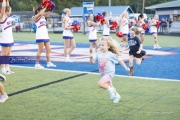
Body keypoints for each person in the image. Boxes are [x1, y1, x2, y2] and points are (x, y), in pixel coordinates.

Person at [90, 36, 129, 103]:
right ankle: (117, 96)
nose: (101, 47)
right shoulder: (98, 54)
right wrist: (90, 58)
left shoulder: (110, 55)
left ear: (108, 46)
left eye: (103, 45)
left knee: (100, 84)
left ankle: (111, 91)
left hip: (109, 73)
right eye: (100, 45)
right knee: (110, 85)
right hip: (103, 73)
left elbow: (120, 60)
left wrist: (126, 67)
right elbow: (93, 62)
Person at [0, 0, 14, 74]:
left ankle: (7, 68)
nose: (11, 12)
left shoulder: (8, 18)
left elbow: (7, 6)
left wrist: (7, 0)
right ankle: (3, 70)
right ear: (6, 11)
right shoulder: (2, 17)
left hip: (10, 38)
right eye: (10, 11)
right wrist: (3, 2)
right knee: (4, 55)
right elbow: (4, 7)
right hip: (5, 39)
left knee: (8, 54)